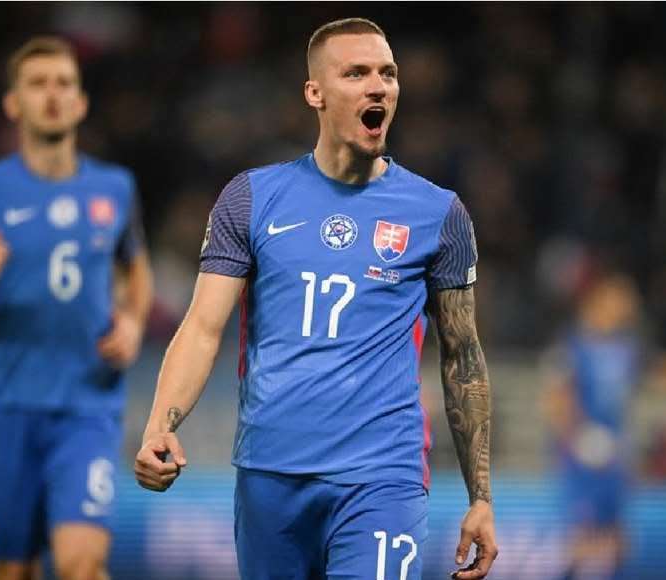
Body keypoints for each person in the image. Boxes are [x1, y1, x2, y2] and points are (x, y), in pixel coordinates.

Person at [134, 17, 498, 580]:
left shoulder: (438, 214)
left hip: (383, 476)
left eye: (388, 73)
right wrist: (161, 424)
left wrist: (481, 497)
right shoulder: (251, 199)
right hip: (270, 473)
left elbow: (462, 357)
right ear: (315, 92)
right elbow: (203, 327)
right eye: (356, 73)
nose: (378, 86)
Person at [0, 37, 153, 580]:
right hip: (8, 406)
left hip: (88, 408)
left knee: (83, 564)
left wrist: (132, 320)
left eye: (63, 83)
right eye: (37, 84)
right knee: (15, 570)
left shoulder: (115, 188)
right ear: (13, 103)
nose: (52, 95)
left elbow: (137, 268)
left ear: (81, 102)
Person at [542, 272, 642, 580]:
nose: (627, 305)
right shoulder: (570, 346)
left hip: (614, 452)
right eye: (619, 297)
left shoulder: (628, 348)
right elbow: (556, 399)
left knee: (618, 537)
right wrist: (577, 437)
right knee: (581, 537)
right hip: (581, 454)